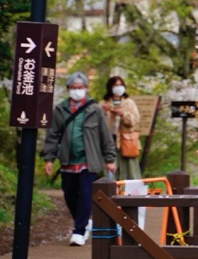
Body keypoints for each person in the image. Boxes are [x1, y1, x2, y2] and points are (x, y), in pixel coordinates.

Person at [42, 73, 116, 246]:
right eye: (73, 88)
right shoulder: (60, 109)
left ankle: (79, 231)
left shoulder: (94, 109)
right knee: (69, 194)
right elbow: (53, 135)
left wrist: (109, 158)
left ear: (86, 88)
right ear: (68, 89)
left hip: (88, 161)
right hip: (67, 160)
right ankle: (83, 221)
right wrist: (49, 158)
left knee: (85, 194)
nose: (77, 91)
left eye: (80, 87)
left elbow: (105, 135)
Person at [102, 75, 142, 181]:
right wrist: (104, 112)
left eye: (120, 85)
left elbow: (135, 121)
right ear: (110, 87)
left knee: (130, 170)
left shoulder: (129, 103)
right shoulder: (104, 103)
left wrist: (123, 114)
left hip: (126, 141)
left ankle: (131, 194)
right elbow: (97, 123)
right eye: (115, 85)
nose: (118, 87)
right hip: (109, 141)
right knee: (110, 171)